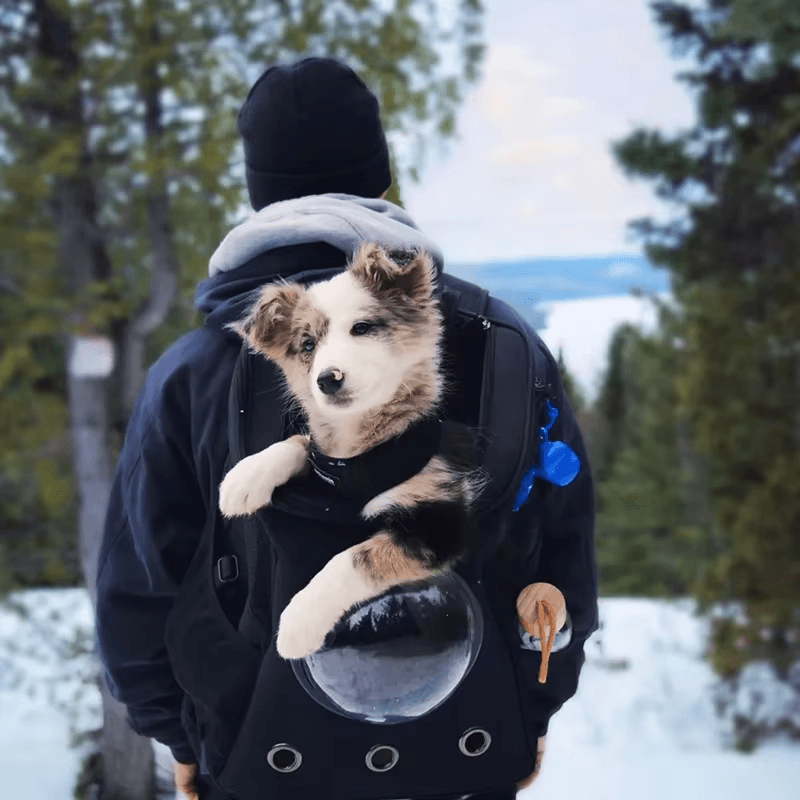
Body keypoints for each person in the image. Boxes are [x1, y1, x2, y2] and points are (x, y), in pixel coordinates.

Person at [95, 57, 598, 800]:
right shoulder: (501, 338)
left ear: (258, 188)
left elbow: (140, 585)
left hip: (260, 758)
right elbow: (559, 539)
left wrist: (182, 735)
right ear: (380, 174)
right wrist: (535, 708)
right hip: (467, 747)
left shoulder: (194, 367)